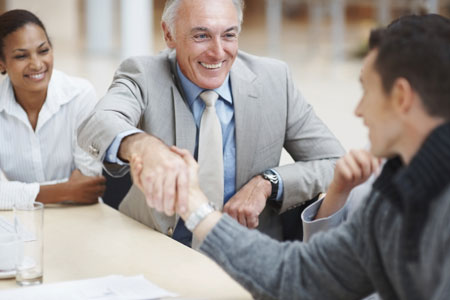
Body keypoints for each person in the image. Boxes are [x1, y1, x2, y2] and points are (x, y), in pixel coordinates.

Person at [147, 14, 450, 299]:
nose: (359, 110)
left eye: (367, 90)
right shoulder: (393, 197)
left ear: (401, 96)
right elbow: (301, 275)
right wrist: (196, 208)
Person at [77, 0, 344, 246]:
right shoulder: (143, 73)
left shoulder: (274, 79)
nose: (218, 52)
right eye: (201, 35)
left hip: (247, 258)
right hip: (157, 248)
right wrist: (144, 147)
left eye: (229, 35)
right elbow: (98, 121)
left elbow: (335, 162)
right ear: (168, 34)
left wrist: (268, 183)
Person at [0, 9, 105, 209]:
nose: (37, 64)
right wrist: (65, 190)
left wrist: (15, 194)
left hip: (82, 217)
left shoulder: (80, 95)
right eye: (21, 56)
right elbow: (76, 190)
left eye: (43, 50)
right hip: (21, 223)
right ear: (2, 63)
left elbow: (89, 184)